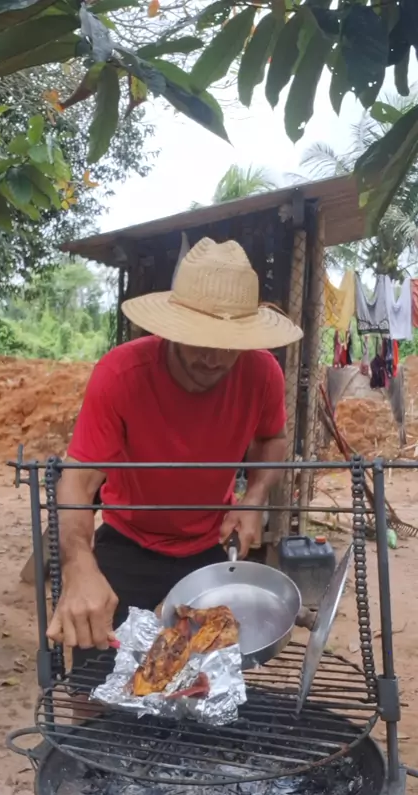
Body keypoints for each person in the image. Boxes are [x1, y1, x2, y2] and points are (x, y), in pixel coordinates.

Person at [47, 237, 303, 666]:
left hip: (208, 548)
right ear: (172, 327)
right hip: (127, 541)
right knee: (97, 680)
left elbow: (272, 439)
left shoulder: (263, 374)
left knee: (203, 680)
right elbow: (78, 480)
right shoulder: (121, 373)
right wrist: (78, 565)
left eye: (230, 343)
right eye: (200, 339)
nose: (214, 358)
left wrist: (254, 497)